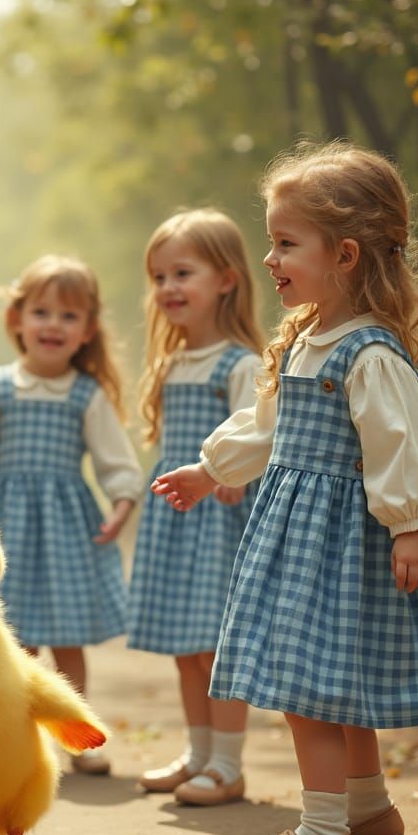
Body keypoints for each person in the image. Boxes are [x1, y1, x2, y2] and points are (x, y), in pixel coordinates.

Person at [151, 141, 418, 835]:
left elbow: (403, 441)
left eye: (286, 244)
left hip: (340, 541)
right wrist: (210, 469)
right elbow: (266, 426)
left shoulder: (368, 352)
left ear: (347, 255)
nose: (272, 260)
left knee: (310, 686)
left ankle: (322, 831)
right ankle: (366, 809)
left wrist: (411, 524)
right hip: (300, 534)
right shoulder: (304, 340)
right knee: (340, 680)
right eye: (271, 243)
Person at [0, 254, 142, 776]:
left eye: (69, 316)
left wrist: (121, 501)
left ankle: (75, 734)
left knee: (68, 638)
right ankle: (13, 738)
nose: (53, 325)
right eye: (42, 312)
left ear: (87, 331)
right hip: (7, 530)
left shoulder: (86, 394)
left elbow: (114, 457)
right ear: (17, 319)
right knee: (17, 639)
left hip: (68, 529)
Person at [128, 210, 265, 804]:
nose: (168, 288)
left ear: (227, 279)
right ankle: (199, 751)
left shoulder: (241, 363)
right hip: (177, 520)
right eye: (159, 277)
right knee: (187, 645)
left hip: (220, 519)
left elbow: (262, 435)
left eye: (183, 272)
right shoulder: (169, 363)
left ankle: (228, 765)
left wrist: (232, 474)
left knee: (216, 643)